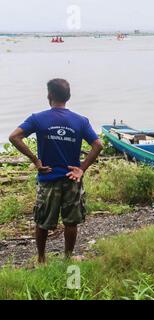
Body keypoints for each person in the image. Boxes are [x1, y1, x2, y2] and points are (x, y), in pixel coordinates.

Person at [9, 79, 103, 264]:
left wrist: (35, 160)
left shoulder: (38, 118)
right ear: (68, 97)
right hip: (71, 179)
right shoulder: (80, 121)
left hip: (48, 178)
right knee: (71, 222)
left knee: (42, 221)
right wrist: (81, 169)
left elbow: (14, 137)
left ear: (49, 96)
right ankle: (68, 258)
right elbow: (98, 145)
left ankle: (42, 259)